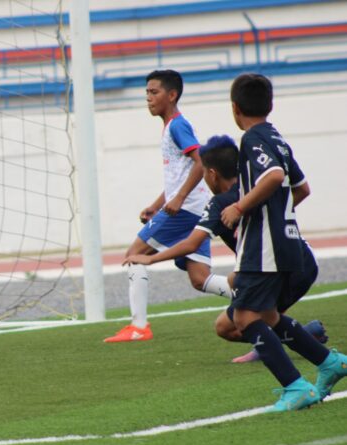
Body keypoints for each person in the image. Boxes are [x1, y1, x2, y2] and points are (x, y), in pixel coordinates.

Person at [123, 135, 328, 364]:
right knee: (246, 297)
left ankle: (300, 360)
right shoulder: (255, 188)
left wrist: (151, 259)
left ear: (211, 174)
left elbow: (191, 243)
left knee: (230, 325)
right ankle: (303, 343)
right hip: (303, 259)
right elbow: (299, 192)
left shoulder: (222, 203)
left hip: (277, 266)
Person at [218, 73, 346, 411]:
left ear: (235, 108)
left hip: (265, 247)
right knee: (269, 316)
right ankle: (330, 363)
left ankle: (295, 387)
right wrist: (277, 215)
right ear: (269, 104)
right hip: (286, 241)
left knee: (244, 318)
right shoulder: (277, 137)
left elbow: (273, 176)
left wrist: (240, 206)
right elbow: (301, 188)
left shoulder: (252, 139)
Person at [105, 69, 230, 343]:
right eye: (147, 93)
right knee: (200, 278)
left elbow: (201, 161)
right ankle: (256, 301)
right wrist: (157, 204)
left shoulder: (177, 125)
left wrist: (179, 199)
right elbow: (180, 173)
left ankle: (139, 327)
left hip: (186, 210)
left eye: (154, 92)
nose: (148, 98)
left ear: (171, 95)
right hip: (192, 208)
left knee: (135, 253)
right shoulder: (170, 126)